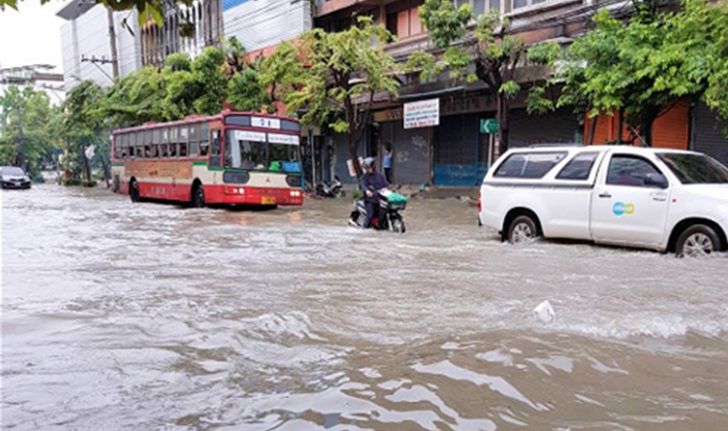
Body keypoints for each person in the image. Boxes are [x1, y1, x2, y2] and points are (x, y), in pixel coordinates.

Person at [360, 157, 389, 228]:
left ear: (373, 166)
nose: (367, 169)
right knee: (370, 215)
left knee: (384, 216)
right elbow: (363, 185)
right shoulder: (364, 177)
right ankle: (364, 229)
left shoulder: (380, 175)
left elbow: (386, 185)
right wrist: (367, 191)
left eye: (368, 167)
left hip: (380, 199)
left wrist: (389, 189)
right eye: (366, 168)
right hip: (369, 200)